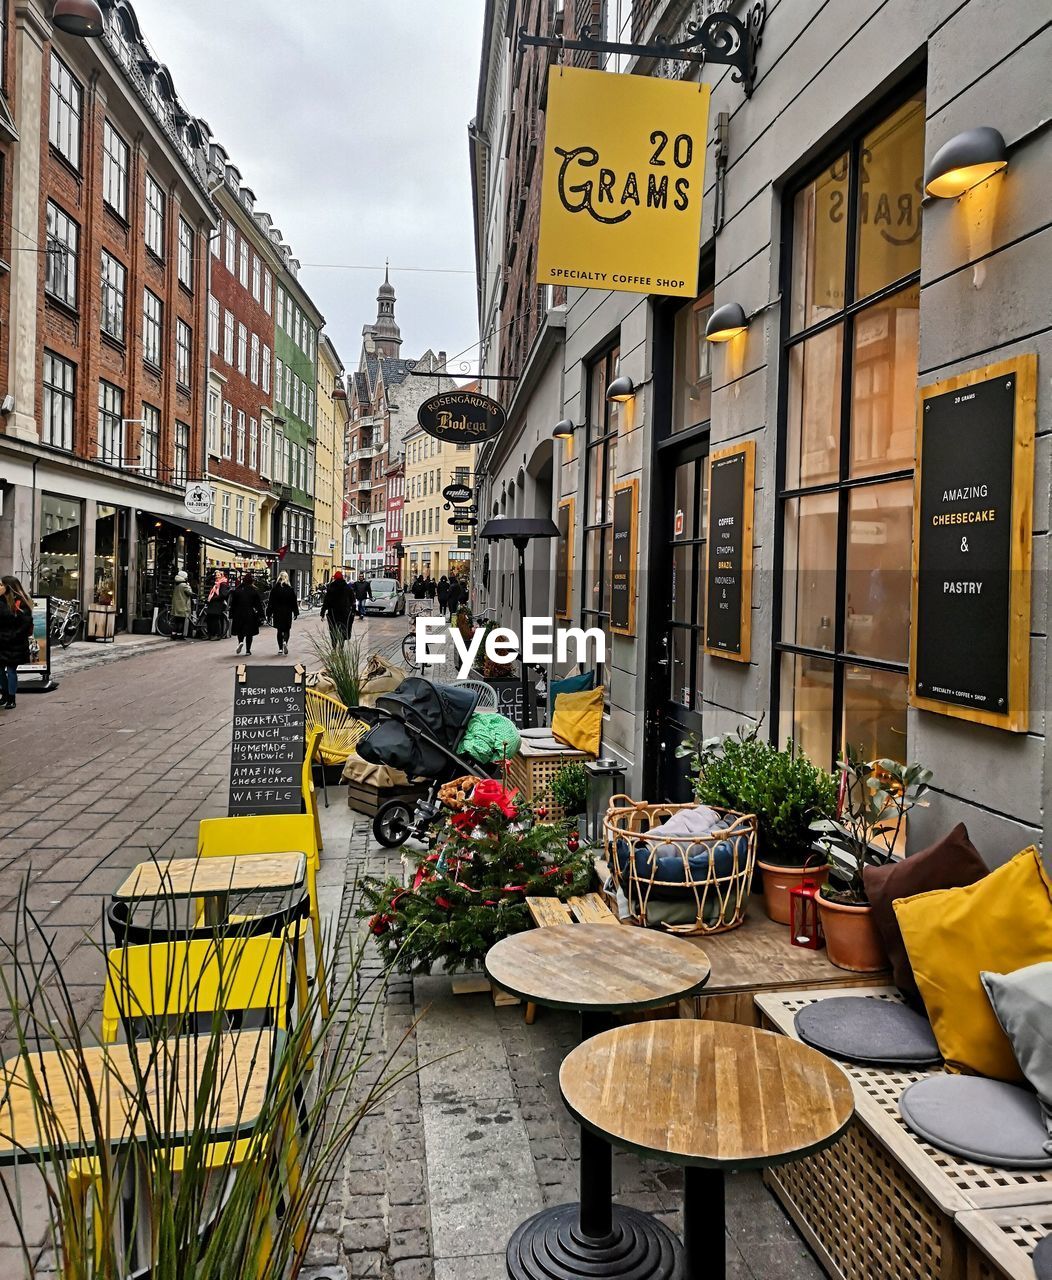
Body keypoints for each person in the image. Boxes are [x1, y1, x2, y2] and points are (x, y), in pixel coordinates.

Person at [0, 576, 34, 710]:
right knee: (0, 671)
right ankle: (4, 694)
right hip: (1, 641)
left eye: (1, 585)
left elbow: (26, 623)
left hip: (14, 643)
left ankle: (11, 698)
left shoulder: (20, 603)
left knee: (11, 670)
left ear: (8, 587)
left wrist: (13, 636)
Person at [229, 571, 264, 656]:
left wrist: (231, 614)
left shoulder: (237, 590)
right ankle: (248, 650)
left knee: (240, 631)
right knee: (249, 632)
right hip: (249, 613)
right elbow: (258, 604)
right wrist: (261, 615)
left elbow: (233, 604)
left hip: (238, 613)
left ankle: (240, 642)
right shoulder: (253, 591)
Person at [267, 570, 299, 655]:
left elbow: (271, 602)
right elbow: (294, 602)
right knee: (287, 630)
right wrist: (295, 612)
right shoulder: (290, 589)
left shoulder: (275, 589)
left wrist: (268, 614)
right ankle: (285, 641)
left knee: (279, 630)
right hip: (287, 612)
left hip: (277, 612)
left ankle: (280, 648)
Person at [320, 569, 354, 642]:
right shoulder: (348, 588)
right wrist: (352, 611)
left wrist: (322, 613)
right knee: (343, 629)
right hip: (344, 613)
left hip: (333, 613)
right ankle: (341, 646)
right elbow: (352, 601)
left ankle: (334, 646)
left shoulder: (331, 588)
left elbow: (326, 601)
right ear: (342, 578)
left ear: (334, 578)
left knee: (333, 630)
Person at [205, 571, 229, 640]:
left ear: (222, 576)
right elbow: (207, 580)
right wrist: (212, 574)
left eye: (219, 575)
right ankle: (210, 634)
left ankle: (217, 635)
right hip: (212, 603)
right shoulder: (216, 583)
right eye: (216, 575)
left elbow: (223, 595)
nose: (217, 576)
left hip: (218, 604)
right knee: (209, 619)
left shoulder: (223, 584)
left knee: (215, 619)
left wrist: (213, 598)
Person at [170, 570, 193, 640]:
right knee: (181, 621)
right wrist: (189, 586)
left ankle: (173, 635)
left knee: (176, 621)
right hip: (182, 605)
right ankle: (180, 635)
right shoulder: (184, 585)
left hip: (176, 605)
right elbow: (190, 593)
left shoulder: (177, 585)